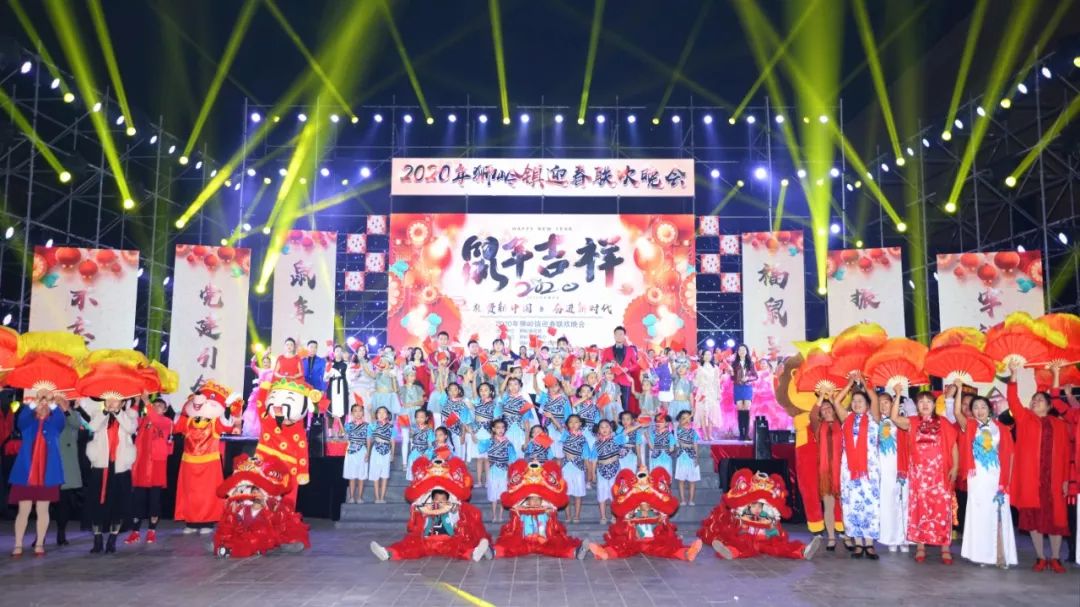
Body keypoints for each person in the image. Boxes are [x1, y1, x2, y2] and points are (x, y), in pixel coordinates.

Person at [1005, 360, 1070, 572]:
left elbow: (1065, 454)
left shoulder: (1060, 425)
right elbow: (1013, 399)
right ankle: (1041, 557)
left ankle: (1056, 558)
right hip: (1031, 479)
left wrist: (1065, 479)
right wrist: (1013, 374)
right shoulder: (1024, 418)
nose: (1035, 402)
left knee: (1056, 520)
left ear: (1049, 406)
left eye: (1040, 400)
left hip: (1053, 480)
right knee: (1033, 519)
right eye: (1033, 400)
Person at [369, 457, 489, 562]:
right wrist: (429, 509)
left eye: (441, 498)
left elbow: (450, 508)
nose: (438, 500)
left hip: (449, 540)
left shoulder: (452, 505)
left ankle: (475, 553)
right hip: (427, 541)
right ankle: (388, 553)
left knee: (461, 548)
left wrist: (434, 509)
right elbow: (419, 508)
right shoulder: (425, 505)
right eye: (435, 497)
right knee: (410, 547)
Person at [887, 390, 958, 564]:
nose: (925, 404)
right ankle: (920, 546)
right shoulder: (912, 421)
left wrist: (955, 466)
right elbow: (894, 417)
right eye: (921, 402)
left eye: (928, 401)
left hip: (940, 473)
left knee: (942, 509)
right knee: (920, 508)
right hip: (919, 474)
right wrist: (898, 394)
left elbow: (953, 445)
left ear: (934, 405)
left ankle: (945, 547)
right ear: (917, 406)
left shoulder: (943, 422)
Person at [954, 389, 1017, 568]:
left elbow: (1010, 455)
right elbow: (957, 412)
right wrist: (959, 390)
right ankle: (982, 555)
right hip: (977, 478)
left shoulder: (1001, 428)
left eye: (983, 406)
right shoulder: (970, 426)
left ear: (990, 409)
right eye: (975, 407)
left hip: (997, 477)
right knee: (980, 515)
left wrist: (1006, 482)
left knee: (999, 514)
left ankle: (1000, 555)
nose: (979, 410)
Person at [588, 468, 703, 561]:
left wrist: (653, 493)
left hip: (654, 538)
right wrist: (633, 494)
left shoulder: (655, 493)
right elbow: (618, 510)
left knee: (667, 548)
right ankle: (605, 553)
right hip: (632, 538)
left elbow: (670, 508)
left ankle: (687, 553)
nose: (643, 482)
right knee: (621, 546)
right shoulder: (629, 494)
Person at [8, 392, 67, 557]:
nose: (43, 405)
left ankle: (39, 543)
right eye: (41, 402)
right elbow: (21, 420)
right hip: (25, 473)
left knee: (43, 509)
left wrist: (52, 401)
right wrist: (35, 402)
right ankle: (18, 544)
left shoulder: (54, 424)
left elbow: (60, 420)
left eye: (46, 403)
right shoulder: (28, 423)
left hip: (47, 473)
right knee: (23, 509)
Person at [492, 460, 588, 559]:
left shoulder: (548, 506)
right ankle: (492, 551)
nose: (534, 501)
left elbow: (558, 504)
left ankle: (576, 552)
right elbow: (509, 504)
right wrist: (517, 512)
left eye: (537, 498)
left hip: (544, 540)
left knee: (557, 547)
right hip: (524, 540)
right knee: (511, 547)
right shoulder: (519, 507)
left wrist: (550, 513)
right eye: (531, 498)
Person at [832, 376, 883, 560]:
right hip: (849, 470)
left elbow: (875, 398)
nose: (856, 403)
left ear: (867, 405)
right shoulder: (846, 418)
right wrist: (850, 384)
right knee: (851, 504)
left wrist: (864, 383)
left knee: (871, 505)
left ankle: (869, 544)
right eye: (854, 400)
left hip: (870, 470)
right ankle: (858, 543)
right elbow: (836, 401)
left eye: (861, 401)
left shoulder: (874, 418)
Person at [81, 395, 138, 554]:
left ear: (123, 402)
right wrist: (105, 412)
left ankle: (112, 540)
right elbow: (92, 427)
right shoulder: (98, 414)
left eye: (116, 400)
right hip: (101, 465)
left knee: (118, 505)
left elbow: (130, 428)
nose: (112, 402)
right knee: (96, 504)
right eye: (109, 399)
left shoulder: (130, 415)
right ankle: (97, 539)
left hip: (120, 466)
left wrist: (118, 413)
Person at [124, 394, 174, 545]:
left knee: (154, 500)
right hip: (141, 465)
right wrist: (136, 403)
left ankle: (152, 531)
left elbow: (155, 419)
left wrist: (147, 402)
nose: (156, 407)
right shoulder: (143, 420)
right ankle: (135, 532)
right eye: (155, 405)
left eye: (160, 406)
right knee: (138, 500)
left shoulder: (166, 422)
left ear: (165, 410)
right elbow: (129, 420)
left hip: (156, 466)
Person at [811, 393, 848, 552]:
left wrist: (832, 397)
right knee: (829, 506)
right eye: (823, 408)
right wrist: (822, 395)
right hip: (826, 472)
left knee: (845, 506)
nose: (826, 409)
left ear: (834, 409)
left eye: (829, 407)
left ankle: (847, 536)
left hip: (843, 470)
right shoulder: (818, 426)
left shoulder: (844, 422)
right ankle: (831, 537)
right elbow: (813, 414)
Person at [877, 389, 910, 553]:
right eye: (880, 403)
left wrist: (897, 393)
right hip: (884, 469)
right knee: (888, 503)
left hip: (901, 467)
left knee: (904, 502)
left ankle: (905, 538)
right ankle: (891, 538)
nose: (883, 406)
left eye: (886, 402)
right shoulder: (876, 422)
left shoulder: (901, 420)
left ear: (893, 404)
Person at [52, 395, 84, 547]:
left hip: (67, 463)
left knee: (64, 502)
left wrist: (66, 410)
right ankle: (40, 535)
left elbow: (76, 424)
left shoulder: (74, 414)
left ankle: (61, 532)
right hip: (50, 460)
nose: (61, 401)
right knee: (44, 501)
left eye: (65, 399)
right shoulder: (49, 412)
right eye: (59, 399)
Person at [554, 414, 589, 523]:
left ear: (580, 424)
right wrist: (551, 417)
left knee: (578, 494)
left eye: (576, 422)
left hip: (578, 468)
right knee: (566, 493)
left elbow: (586, 456)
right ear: (567, 424)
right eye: (571, 422)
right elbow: (559, 427)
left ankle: (577, 516)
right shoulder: (565, 434)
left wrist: (589, 472)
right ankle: (568, 516)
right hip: (566, 467)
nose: (573, 424)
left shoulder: (583, 438)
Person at [484, 419, 519, 522]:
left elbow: (512, 459)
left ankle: (500, 516)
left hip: (504, 471)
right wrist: (487, 474)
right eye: (498, 427)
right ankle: (494, 516)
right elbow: (486, 459)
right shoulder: (488, 442)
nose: (501, 430)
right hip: (493, 471)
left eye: (503, 427)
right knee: (493, 494)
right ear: (493, 429)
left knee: (503, 493)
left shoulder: (508, 443)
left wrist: (511, 473)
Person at [599, 326, 639, 415]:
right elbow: (603, 364)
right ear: (614, 336)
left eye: (621, 334)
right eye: (617, 334)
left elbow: (635, 364)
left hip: (625, 381)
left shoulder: (630, 350)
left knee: (624, 405)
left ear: (624, 336)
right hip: (611, 381)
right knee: (610, 404)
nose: (619, 336)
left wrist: (627, 368)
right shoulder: (607, 350)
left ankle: (623, 422)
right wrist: (610, 366)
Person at [469, 382, 499, 487]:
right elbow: (472, 419)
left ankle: (487, 482)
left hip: (488, 433)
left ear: (490, 391)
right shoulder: (477, 402)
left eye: (486, 390)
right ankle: (479, 482)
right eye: (481, 390)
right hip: (478, 432)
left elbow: (496, 421)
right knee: (479, 459)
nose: (483, 392)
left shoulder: (494, 404)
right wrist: (472, 434)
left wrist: (494, 434)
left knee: (487, 459)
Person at [593, 420, 621, 524]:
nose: (604, 429)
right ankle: (603, 516)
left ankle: (614, 516)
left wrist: (638, 425)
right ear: (598, 430)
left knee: (615, 492)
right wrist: (593, 474)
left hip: (615, 469)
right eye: (602, 427)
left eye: (607, 426)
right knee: (602, 492)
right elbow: (594, 459)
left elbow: (626, 432)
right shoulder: (596, 444)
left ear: (611, 429)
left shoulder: (616, 439)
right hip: (601, 470)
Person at [343, 403, 370, 504]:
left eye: (360, 411)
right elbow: (343, 434)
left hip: (362, 451)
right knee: (352, 475)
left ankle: (359, 497)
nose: (358, 413)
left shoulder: (367, 426)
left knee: (361, 476)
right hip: (351, 452)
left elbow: (368, 440)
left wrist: (368, 452)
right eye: (355, 411)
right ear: (352, 413)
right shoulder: (348, 425)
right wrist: (339, 421)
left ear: (363, 413)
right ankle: (351, 497)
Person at [366, 407, 395, 504]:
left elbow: (393, 441)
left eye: (384, 412)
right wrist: (368, 453)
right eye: (379, 412)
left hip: (386, 451)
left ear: (387, 415)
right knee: (375, 474)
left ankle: (382, 498)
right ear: (376, 414)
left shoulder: (391, 427)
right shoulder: (372, 426)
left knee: (385, 475)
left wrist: (392, 454)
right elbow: (369, 439)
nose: (382, 414)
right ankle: (377, 497)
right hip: (376, 451)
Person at [674, 410, 701, 506]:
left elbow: (695, 446)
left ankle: (691, 500)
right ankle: (682, 500)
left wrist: (696, 458)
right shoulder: (679, 430)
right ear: (679, 421)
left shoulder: (693, 432)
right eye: (684, 418)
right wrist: (690, 416)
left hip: (691, 458)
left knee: (692, 481)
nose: (686, 420)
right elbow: (681, 425)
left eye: (688, 418)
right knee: (681, 481)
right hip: (681, 458)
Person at [693, 349, 722, 440]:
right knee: (702, 413)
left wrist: (718, 393)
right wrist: (694, 379)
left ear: (711, 356)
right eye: (705, 354)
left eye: (709, 354)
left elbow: (717, 382)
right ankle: (704, 435)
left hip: (712, 393)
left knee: (711, 414)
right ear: (703, 356)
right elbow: (697, 383)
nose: (707, 356)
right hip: (702, 393)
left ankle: (710, 434)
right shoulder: (700, 368)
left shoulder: (715, 368)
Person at [731, 344, 758, 441]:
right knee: (740, 409)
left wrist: (748, 378)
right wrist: (731, 374)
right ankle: (741, 434)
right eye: (740, 350)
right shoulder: (734, 363)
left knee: (746, 409)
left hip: (747, 388)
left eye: (744, 350)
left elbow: (756, 376)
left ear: (746, 352)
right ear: (738, 352)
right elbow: (732, 378)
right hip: (737, 387)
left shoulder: (750, 363)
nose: (742, 352)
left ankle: (746, 434)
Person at [323, 345, 350, 437]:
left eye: (340, 351)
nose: (338, 352)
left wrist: (349, 390)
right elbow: (325, 379)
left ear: (342, 353)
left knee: (342, 408)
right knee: (331, 407)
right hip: (332, 387)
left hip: (342, 387)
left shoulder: (346, 364)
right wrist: (328, 374)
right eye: (337, 351)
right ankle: (330, 430)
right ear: (334, 353)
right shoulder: (329, 364)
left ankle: (341, 430)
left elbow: (348, 378)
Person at [404, 409, 435, 481]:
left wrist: (427, 454)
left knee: (423, 478)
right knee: (412, 477)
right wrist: (411, 433)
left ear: (426, 418)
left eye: (422, 417)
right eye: (417, 417)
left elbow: (432, 445)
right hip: (413, 455)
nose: (419, 419)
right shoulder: (414, 429)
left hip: (424, 456)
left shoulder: (429, 431)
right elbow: (411, 440)